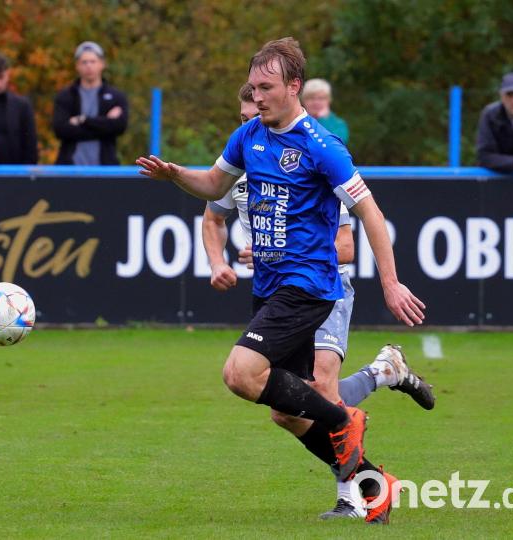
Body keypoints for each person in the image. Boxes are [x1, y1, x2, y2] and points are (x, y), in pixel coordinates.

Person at [138, 37, 426, 525]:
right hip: (268, 287)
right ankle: (374, 486)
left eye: (266, 87)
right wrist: (175, 175)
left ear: (294, 87)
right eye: (253, 87)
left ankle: (344, 419)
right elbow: (213, 187)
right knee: (287, 411)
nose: (258, 96)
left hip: (308, 285)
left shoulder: (322, 146)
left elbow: (370, 213)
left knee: (239, 373)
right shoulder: (248, 136)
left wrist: (391, 282)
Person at [202, 83, 435, 520]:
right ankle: (384, 380)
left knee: (321, 390)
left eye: (255, 112)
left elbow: (345, 246)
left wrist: (282, 246)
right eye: (241, 118)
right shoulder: (243, 165)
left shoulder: (311, 159)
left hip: (322, 285)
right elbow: (212, 218)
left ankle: (351, 497)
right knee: (287, 410)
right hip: (278, 289)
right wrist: (217, 262)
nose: (249, 123)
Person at [52, 41, 129, 165]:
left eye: (93, 61)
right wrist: (104, 123)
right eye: (84, 62)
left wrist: (83, 120)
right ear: (77, 66)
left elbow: (119, 126)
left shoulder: (116, 96)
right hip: (70, 170)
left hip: (105, 170)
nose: (89, 66)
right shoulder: (65, 96)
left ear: (102, 64)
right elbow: (61, 130)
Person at [302, 78, 348, 144]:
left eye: (321, 98)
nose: (316, 102)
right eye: (311, 98)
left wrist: (323, 119)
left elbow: (335, 144)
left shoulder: (339, 124)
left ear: (329, 100)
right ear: (304, 100)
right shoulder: (297, 121)